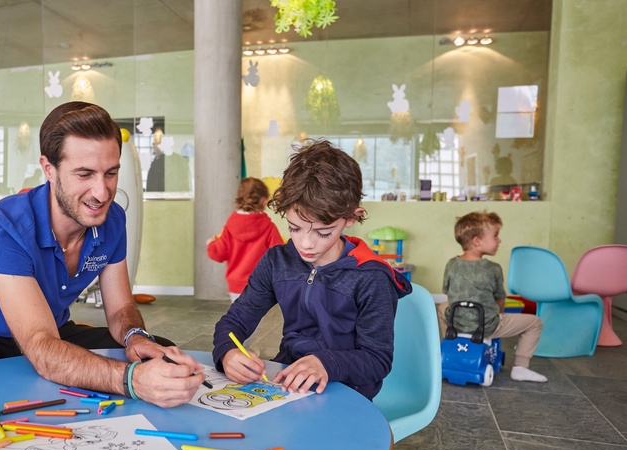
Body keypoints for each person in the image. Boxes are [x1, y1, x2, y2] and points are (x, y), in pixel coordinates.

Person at [0, 102, 204, 407]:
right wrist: (128, 380)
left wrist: (135, 337)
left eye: (111, 173)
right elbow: (40, 346)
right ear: (49, 169)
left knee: (160, 350)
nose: (102, 192)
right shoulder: (7, 224)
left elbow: (121, 308)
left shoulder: (112, 220)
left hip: (51, 334)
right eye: (84, 174)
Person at [211, 140, 412, 400]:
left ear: (351, 218)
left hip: (348, 391)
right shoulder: (277, 261)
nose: (305, 244)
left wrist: (325, 363)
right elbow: (235, 321)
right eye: (294, 228)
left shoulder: (371, 277)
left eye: (323, 232)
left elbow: (377, 360)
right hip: (288, 380)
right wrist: (227, 351)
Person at [442, 211, 547, 382]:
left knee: (442, 307)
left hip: (456, 323)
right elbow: (499, 300)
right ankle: (521, 367)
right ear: (477, 241)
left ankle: (447, 342)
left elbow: (448, 291)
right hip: (487, 326)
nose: (499, 241)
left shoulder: (451, 264)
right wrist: (498, 314)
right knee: (535, 323)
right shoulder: (493, 268)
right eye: (496, 236)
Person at [206, 177, 284, 302]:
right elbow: (279, 255)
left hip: (235, 286)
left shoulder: (230, 226)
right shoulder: (269, 227)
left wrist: (211, 244)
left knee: (241, 319)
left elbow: (219, 254)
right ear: (264, 201)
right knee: (261, 319)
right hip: (261, 284)